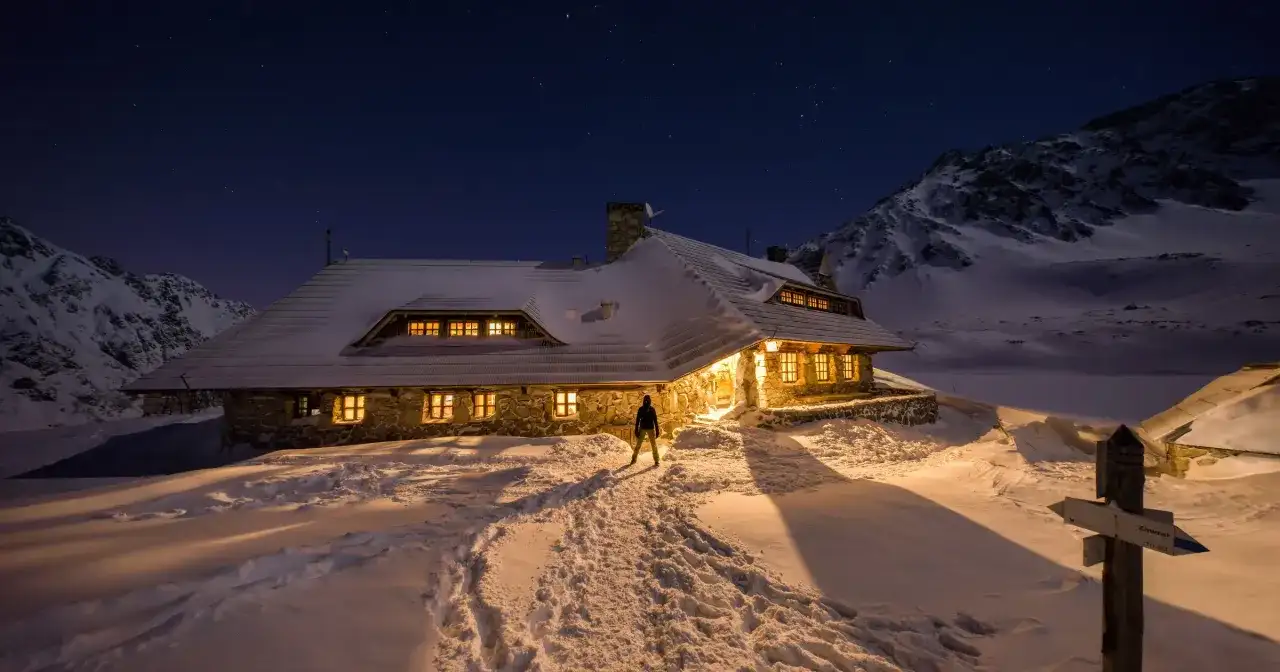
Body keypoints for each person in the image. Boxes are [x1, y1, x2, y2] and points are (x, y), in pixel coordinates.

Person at [631, 395, 661, 466]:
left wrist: (657, 430)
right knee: (638, 444)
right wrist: (636, 429)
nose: (647, 401)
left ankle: (656, 460)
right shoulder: (641, 409)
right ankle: (633, 459)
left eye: (648, 400)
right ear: (643, 401)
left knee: (654, 445)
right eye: (645, 400)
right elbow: (638, 420)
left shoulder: (652, 409)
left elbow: (655, 420)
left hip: (651, 429)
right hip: (642, 428)